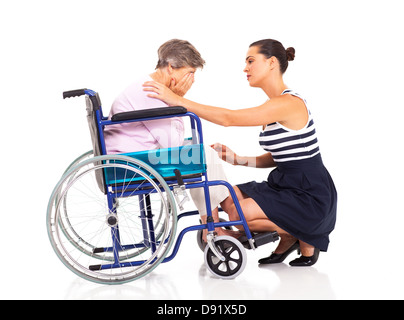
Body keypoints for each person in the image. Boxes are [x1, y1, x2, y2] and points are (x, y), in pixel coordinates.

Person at [143, 39, 337, 267]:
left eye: (251, 61)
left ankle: (300, 233)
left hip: (308, 192)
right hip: (285, 182)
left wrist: (177, 100)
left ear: (272, 62)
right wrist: (238, 160)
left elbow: (229, 118)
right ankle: (289, 234)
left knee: (237, 216)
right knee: (226, 197)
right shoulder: (273, 104)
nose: (245, 68)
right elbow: (282, 157)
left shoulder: (287, 103)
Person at [104, 39, 234, 241]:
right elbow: (173, 144)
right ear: (172, 67)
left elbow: (171, 140)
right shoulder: (151, 91)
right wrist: (178, 99)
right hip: (131, 164)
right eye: (189, 72)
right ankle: (214, 227)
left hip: (136, 157)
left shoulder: (150, 87)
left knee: (203, 152)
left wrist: (174, 99)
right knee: (202, 155)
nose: (192, 79)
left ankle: (217, 218)